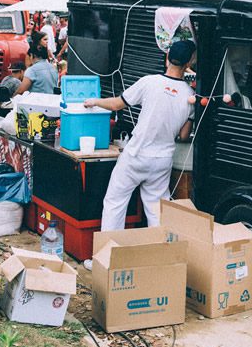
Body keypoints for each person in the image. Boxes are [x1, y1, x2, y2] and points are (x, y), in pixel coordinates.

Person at [84, 40, 196, 233]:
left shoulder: (149, 82)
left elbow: (116, 105)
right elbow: (184, 135)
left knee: (115, 203)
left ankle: (108, 255)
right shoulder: (190, 95)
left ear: (167, 57)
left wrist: (94, 101)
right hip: (162, 160)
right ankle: (161, 257)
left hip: (136, 155)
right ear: (188, 65)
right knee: (156, 212)